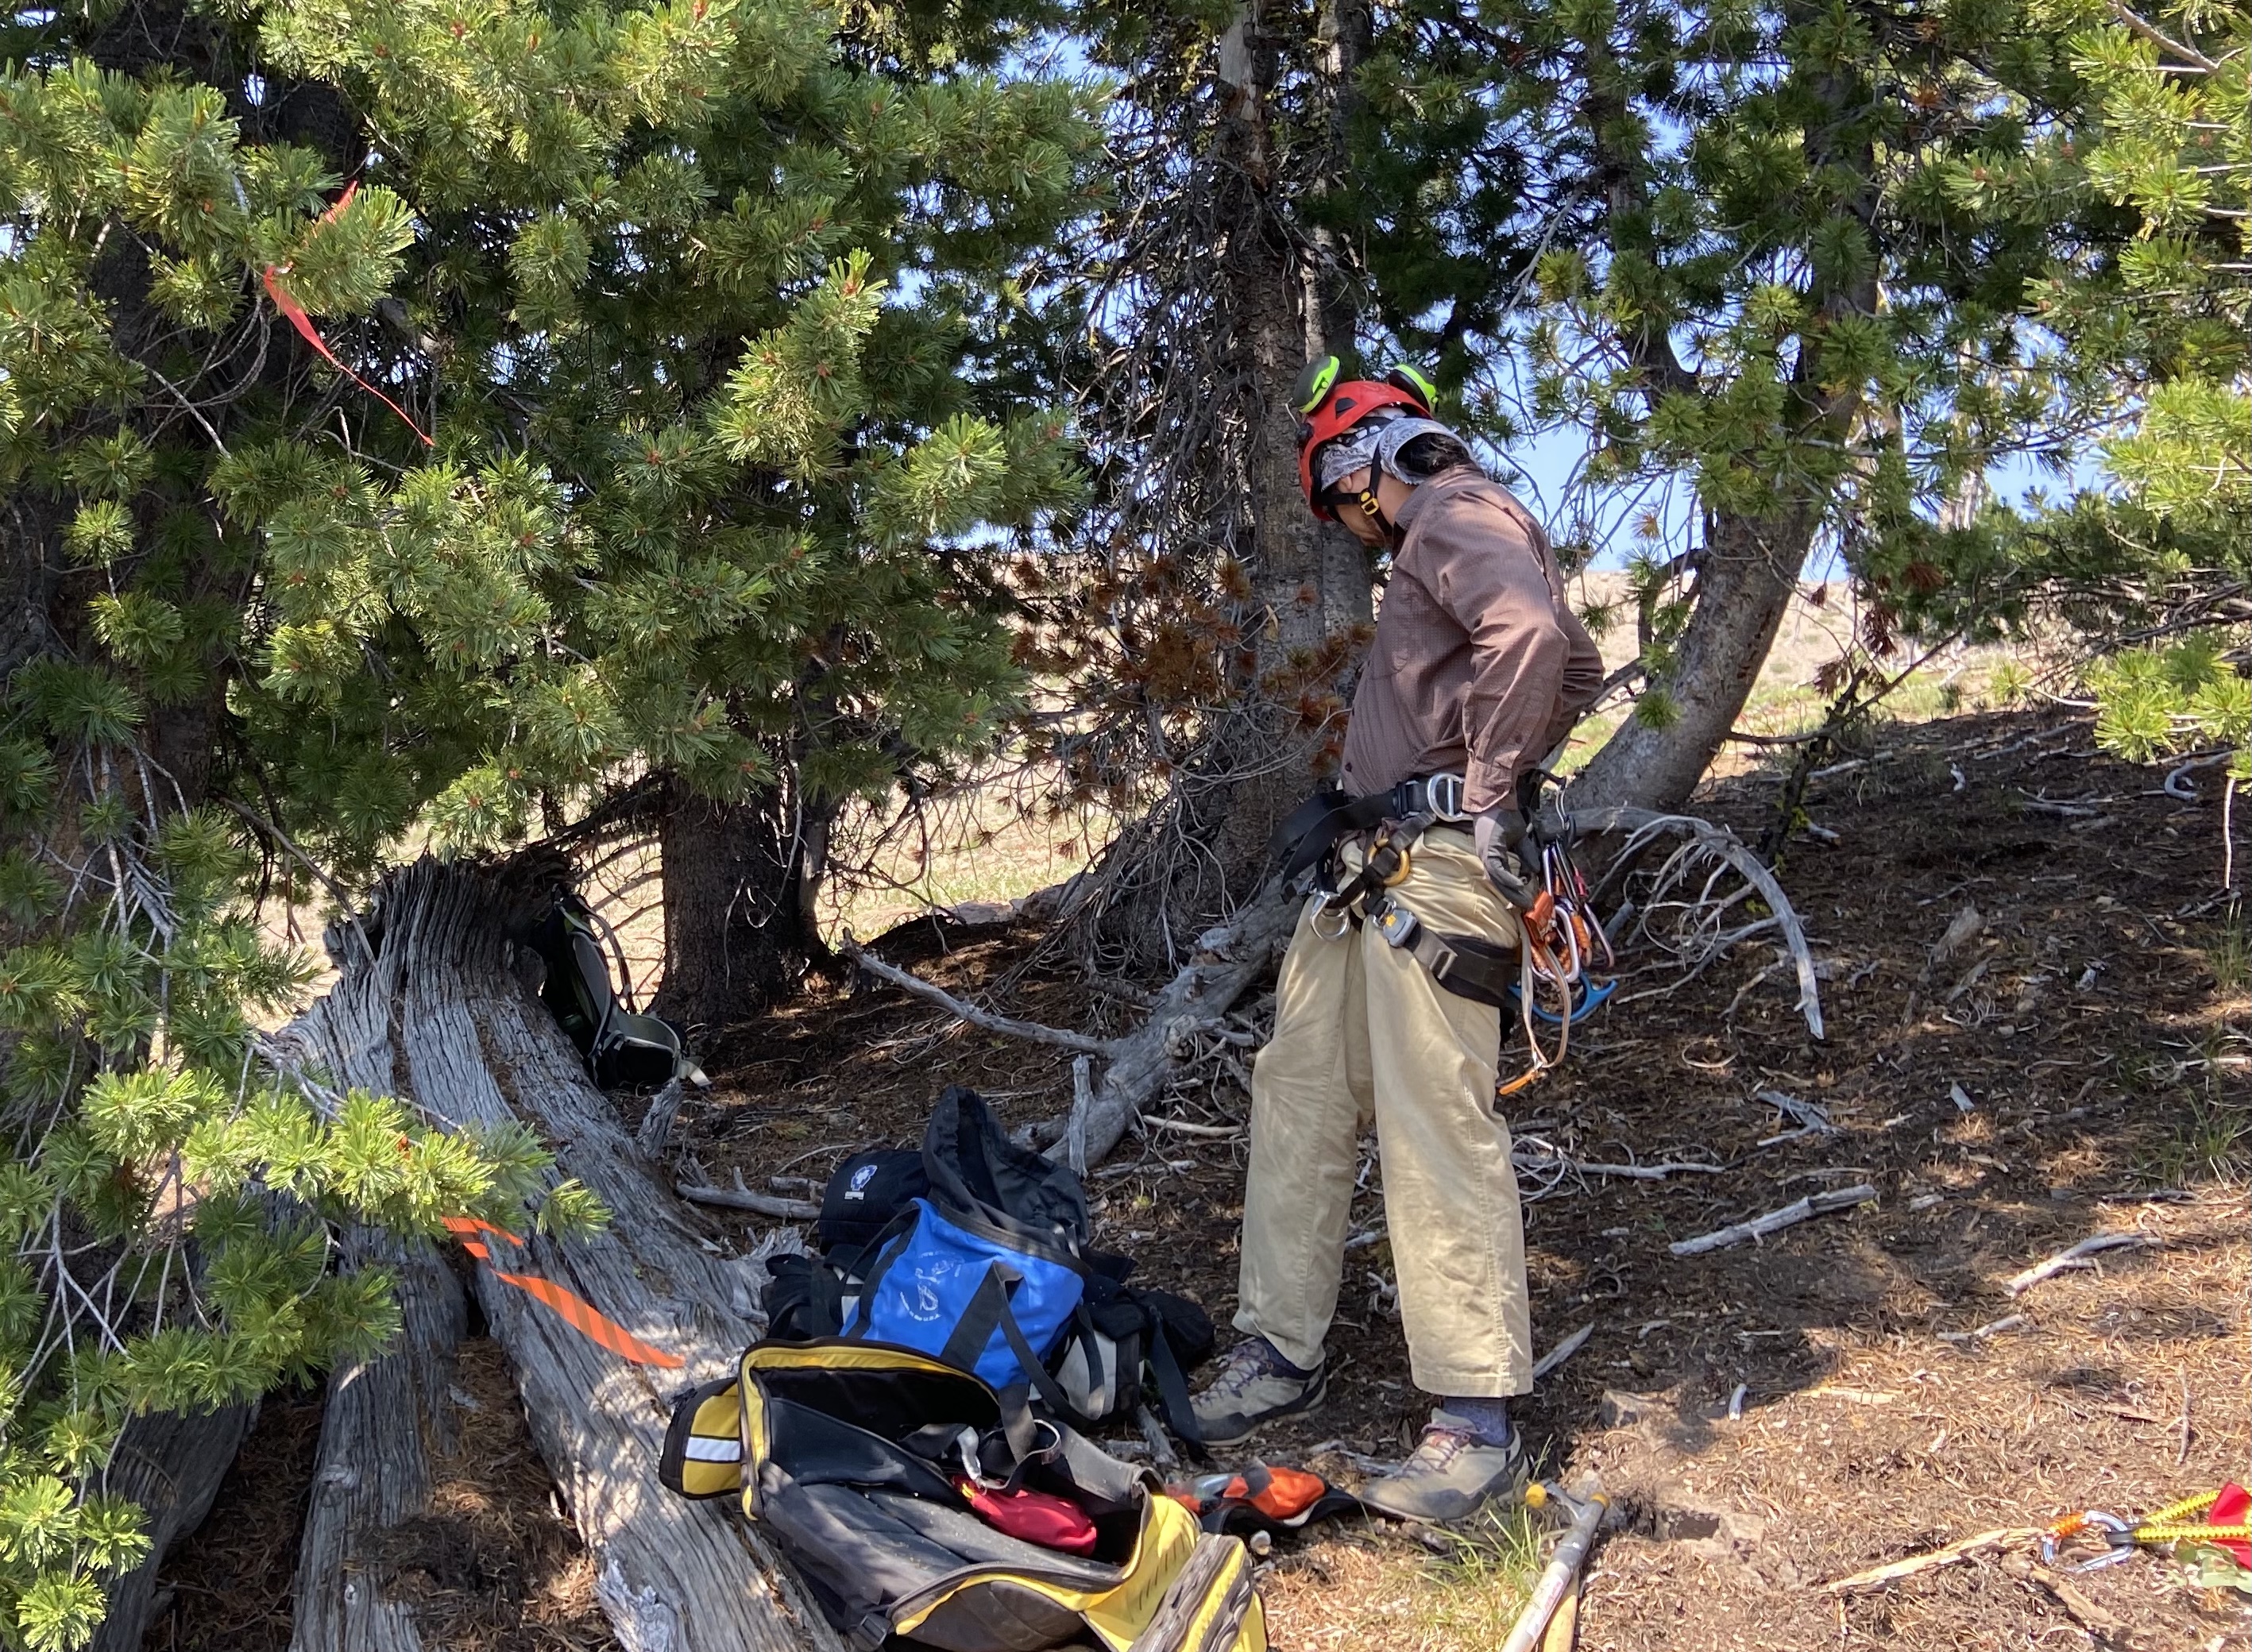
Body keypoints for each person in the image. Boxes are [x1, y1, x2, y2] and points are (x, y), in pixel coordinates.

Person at [1190, 359, 1604, 1521]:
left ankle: (1472, 1414)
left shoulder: (1454, 513)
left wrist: (1475, 793)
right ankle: (1280, 1347)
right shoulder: (1452, 529)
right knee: (1302, 1090)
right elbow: (1573, 661)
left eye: (1341, 493)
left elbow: (1531, 635)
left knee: (1434, 1122)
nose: (1352, 523)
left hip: (1430, 870)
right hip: (1372, 868)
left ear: (1369, 462)